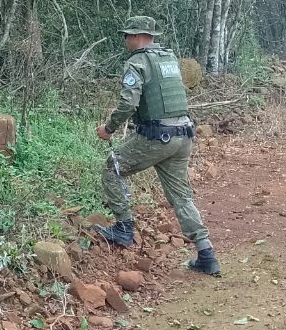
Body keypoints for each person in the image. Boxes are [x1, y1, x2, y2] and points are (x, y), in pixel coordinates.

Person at [93, 16, 220, 276]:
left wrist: (109, 128)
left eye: (128, 35)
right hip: (184, 136)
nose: (126, 39)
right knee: (181, 196)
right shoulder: (168, 59)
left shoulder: (137, 62)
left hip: (157, 137)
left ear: (138, 36)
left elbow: (129, 103)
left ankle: (123, 228)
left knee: (112, 168)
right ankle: (206, 252)